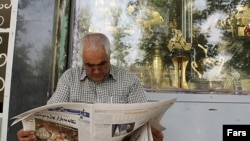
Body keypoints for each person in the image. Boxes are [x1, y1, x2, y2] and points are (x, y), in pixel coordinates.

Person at [17, 33, 163, 141]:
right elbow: (49, 115)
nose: (97, 71)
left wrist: (153, 136)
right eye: (90, 65)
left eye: (102, 64)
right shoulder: (69, 78)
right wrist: (30, 135)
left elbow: (144, 122)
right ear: (82, 60)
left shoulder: (129, 80)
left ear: (109, 56)